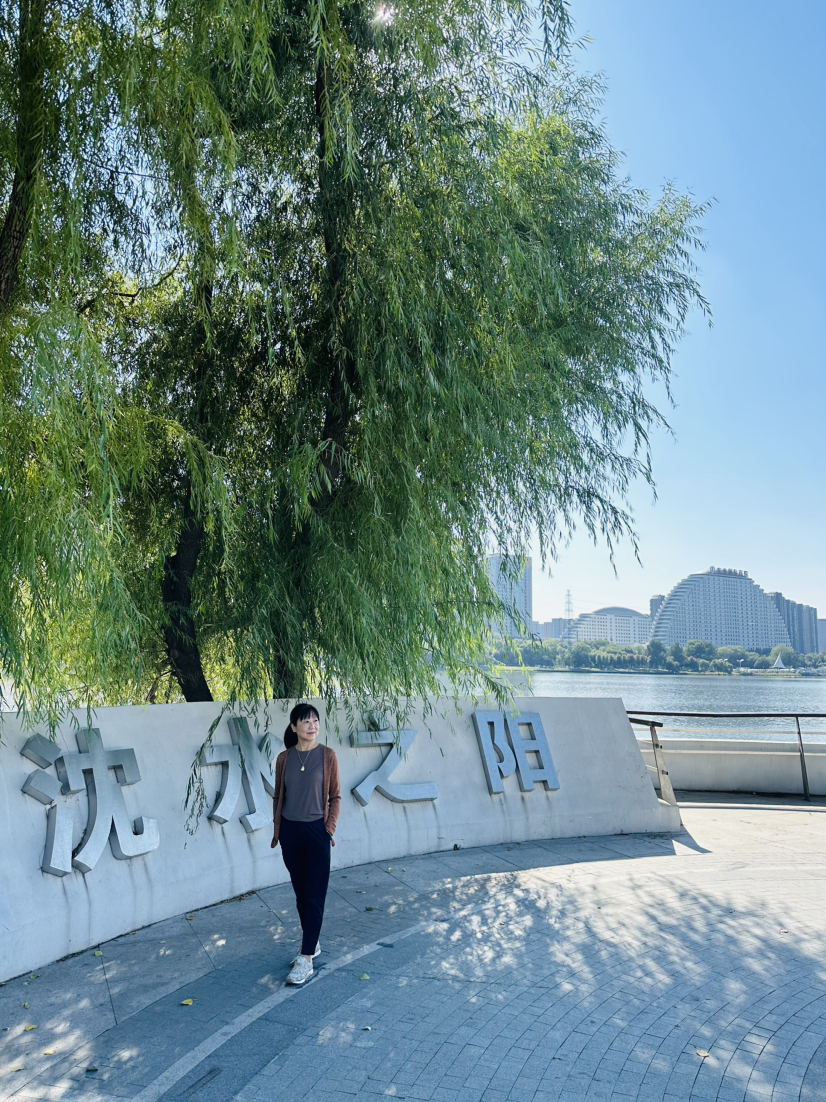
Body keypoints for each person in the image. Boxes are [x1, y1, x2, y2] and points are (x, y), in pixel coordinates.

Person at [271, 702, 341, 985]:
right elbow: (279, 796)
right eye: (306, 721)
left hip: (316, 832)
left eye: (316, 721)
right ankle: (312, 942)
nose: (313, 726)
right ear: (294, 727)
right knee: (301, 895)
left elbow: (335, 797)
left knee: (314, 895)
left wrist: (328, 829)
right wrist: (279, 829)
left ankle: (307, 958)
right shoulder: (284, 759)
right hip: (290, 832)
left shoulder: (328, 756)